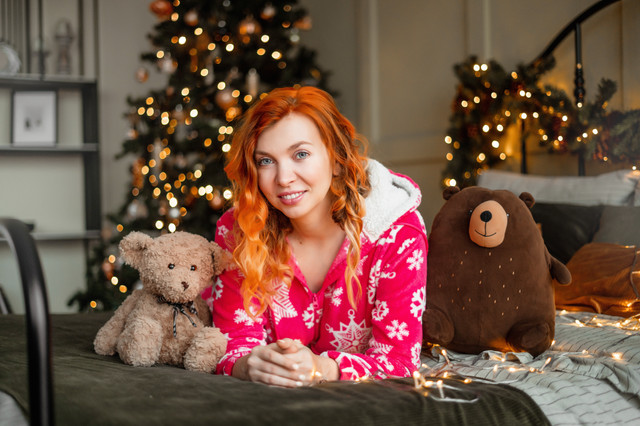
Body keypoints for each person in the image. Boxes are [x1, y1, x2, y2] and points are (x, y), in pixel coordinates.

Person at [201, 86, 427, 388]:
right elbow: (233, 343)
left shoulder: (398, 234)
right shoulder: (241, 229)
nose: (283, 178)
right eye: (266, 161)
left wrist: (323, 368)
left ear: (336, 159)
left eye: (301, 154)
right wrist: (248, 365)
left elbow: (399, 362)